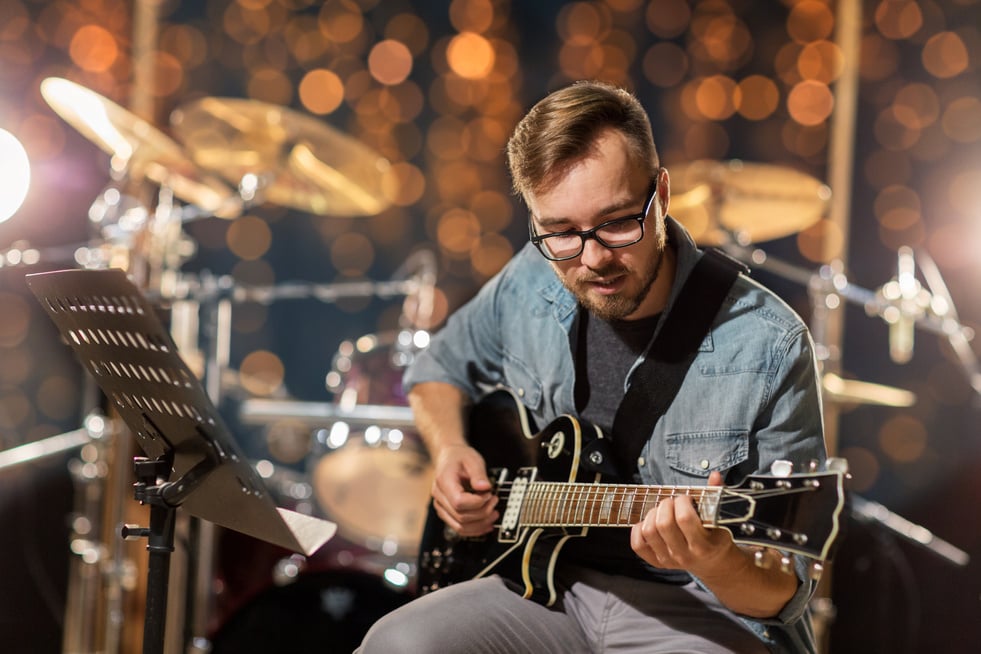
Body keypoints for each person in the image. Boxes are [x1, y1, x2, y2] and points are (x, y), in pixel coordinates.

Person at [356, 80, 827, 653]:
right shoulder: (531, 278)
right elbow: (438, 368)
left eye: (618, 221)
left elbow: (783, 591)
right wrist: (450, 449)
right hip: (547, 588)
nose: (594, 257)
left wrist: (715, 558)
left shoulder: (769, 342)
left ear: (663, 195)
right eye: (560, 232)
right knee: (395, 642)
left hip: (697, 610)